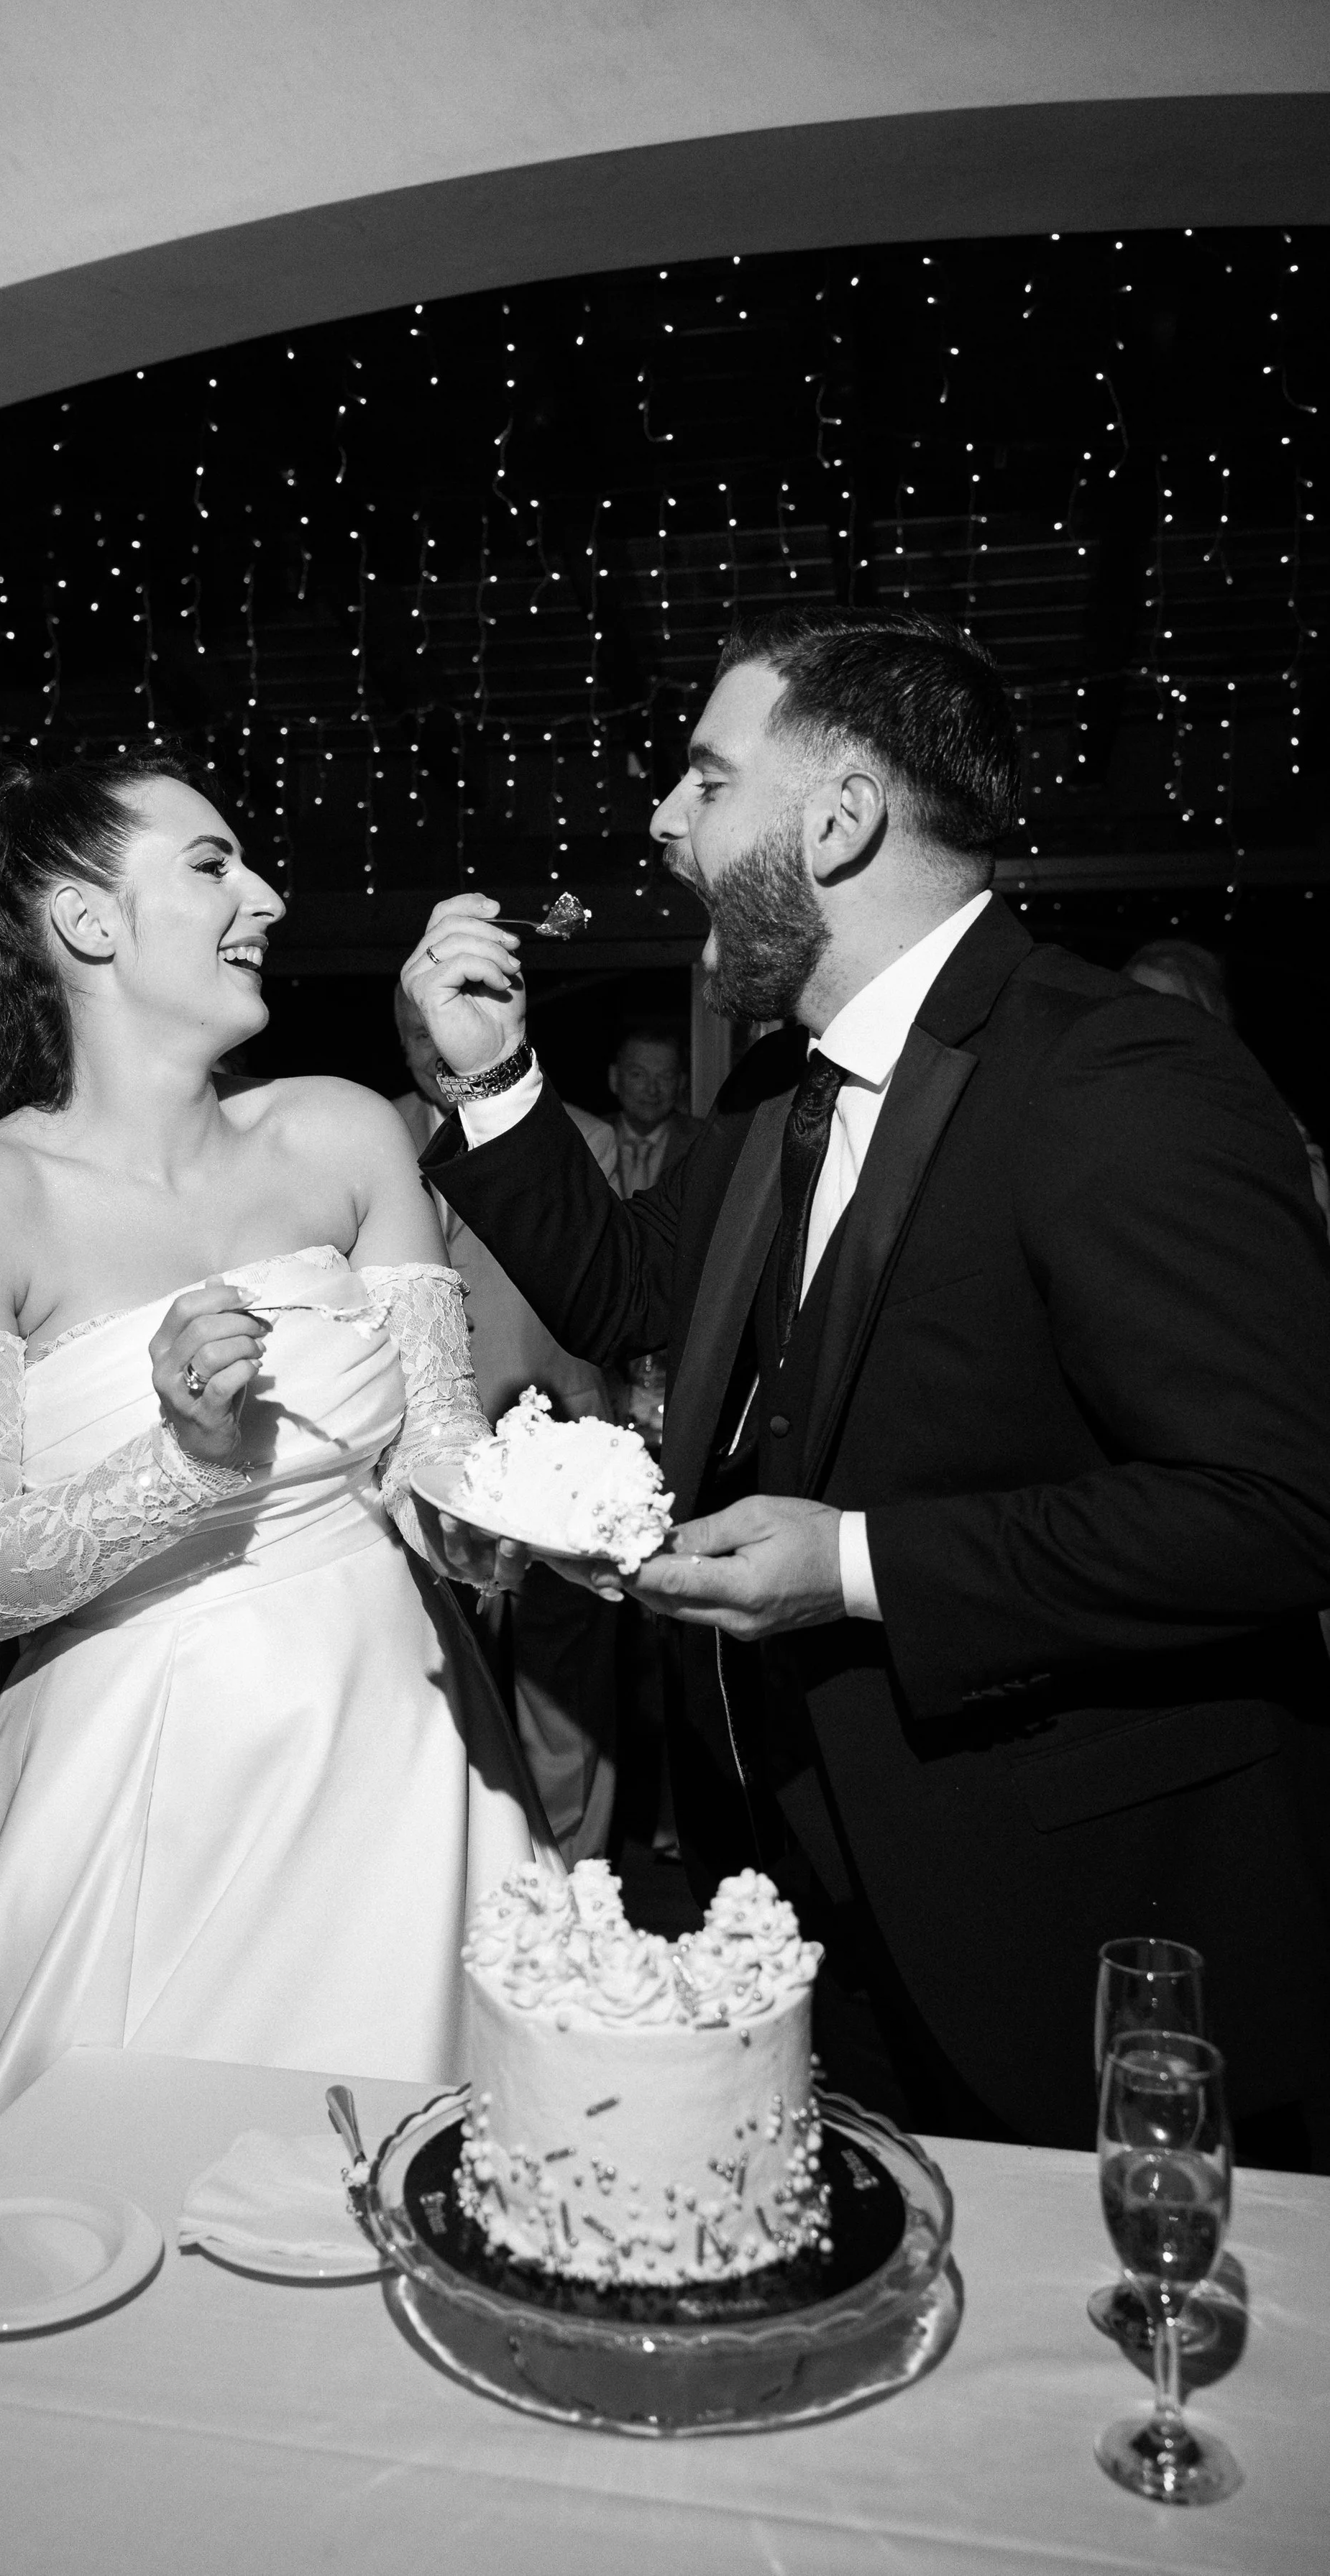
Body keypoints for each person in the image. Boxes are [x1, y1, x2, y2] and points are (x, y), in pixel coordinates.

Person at [403, 608, 1330, 2155]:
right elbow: (640, 1289)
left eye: (704, 780)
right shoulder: (781, 1086)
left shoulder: (1112, 1078)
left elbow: (1277, 1506)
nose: (660, 820)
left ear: (834, 820)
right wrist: (491, 1085)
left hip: (1079, 1921)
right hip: (810, 1891)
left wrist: (847, 1566)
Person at [0, 753, 542, 2314]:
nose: (262, 897)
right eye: (211, 864)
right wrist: (192, 1466)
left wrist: (521, 1529)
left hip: (399, 1752)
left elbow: (435, 1455)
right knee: (104, 2235)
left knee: (431, 2212)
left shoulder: (337, 1133)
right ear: (84, 921)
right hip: (140, 1779)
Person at [393, 985, 619, 1862]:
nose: (432, 1051)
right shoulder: (367, 1138)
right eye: (415, 1035)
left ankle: (575, 1879)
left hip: (556, 1440)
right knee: (440, 1682)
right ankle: (474, 1875)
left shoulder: (576, 1136)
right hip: (419, 1454)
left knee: (563, 1689)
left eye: (441, 1033)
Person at [1124, 935, 1330, 1230]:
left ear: (1208, 1019)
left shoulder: (1260, 1123)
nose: (1148, 1024)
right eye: (1135, 1005)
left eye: (1168, 1009)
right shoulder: (1114, 1105)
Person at [605, 1022, 701, 1198]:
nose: (652, 1090)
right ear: (614, 1077)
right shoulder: (586, 1139)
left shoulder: (703, 1141)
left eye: (665, 1077)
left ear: (681, 1083)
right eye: (638, 1075)